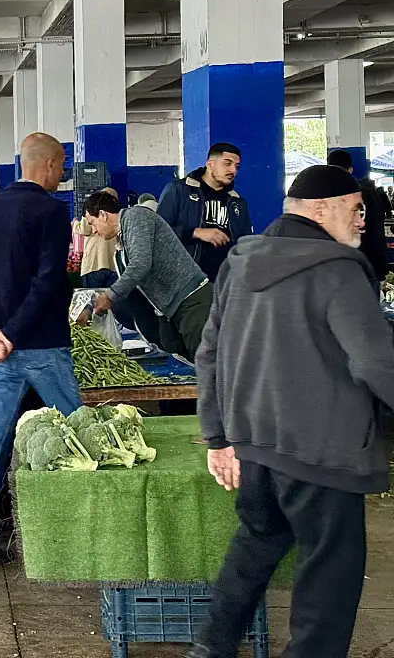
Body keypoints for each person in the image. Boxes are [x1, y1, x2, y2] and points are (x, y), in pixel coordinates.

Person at [191, 164, 394, 658]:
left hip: (256, 446)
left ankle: (210, 648)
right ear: (321, 210)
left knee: (256, 544)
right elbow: (375, 362)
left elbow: (209, 352)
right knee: (329, 578)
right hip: (325, 453)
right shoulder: (338, 270)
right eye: (355, 209)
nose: (363, 219)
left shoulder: (240, 261)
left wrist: (218, 437)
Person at [0, 133, 80, 566]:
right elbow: (48, 281)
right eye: (61, 165)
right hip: (42, 345)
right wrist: (12, 333)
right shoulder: (52, 211)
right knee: (81, 431)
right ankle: (92, 528)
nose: (62, 173)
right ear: (49, 164)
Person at [83, 192, 212, 359]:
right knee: (186, 354)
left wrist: (109, 296)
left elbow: (140, 264)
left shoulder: (135, 217)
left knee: (208, 363)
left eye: (92, 223)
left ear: (103, 215)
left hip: (192, 300)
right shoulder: (123, 237)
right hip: (174, 307)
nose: (94, 230)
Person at [158, 143, 251, 282]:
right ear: (210, 164)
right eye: (227, 163)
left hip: (225, 281)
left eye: (236, 166)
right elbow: (157, 233)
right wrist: (195, 233)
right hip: (185, 281)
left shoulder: (237, 202)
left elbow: (245, 242)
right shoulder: (178, 190)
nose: (233, 170)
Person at [326, 149, 390, 279]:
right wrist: (380, 268)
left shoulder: (322, 196)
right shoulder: (368, 194)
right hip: (367, 264)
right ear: (350, 170)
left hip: (335, 267)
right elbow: (377, 230)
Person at [72, 188, 119, 289]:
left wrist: (74, 224)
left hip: (93, 264)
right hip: (113, 265)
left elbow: (84, 229)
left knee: (93, 296)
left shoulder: (91, 212)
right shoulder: (118, 218)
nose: (95, 230)